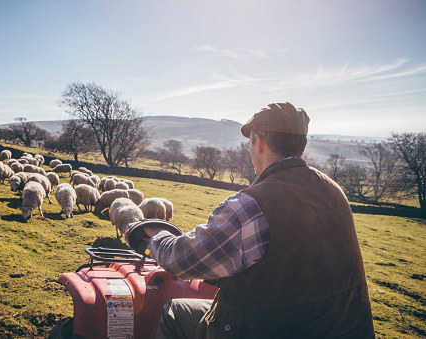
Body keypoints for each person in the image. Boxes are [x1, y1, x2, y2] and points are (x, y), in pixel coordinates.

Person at [138, 102, 375, 338]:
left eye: (250, 141)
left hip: (271, 329)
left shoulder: (253, 206)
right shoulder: (333, 190)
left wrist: (156, 233)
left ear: (258, 143)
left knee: (174, 312)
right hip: (343, 329)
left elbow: (181, 260)